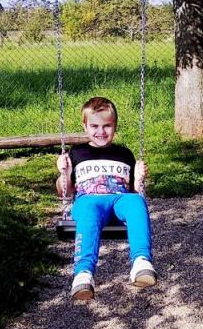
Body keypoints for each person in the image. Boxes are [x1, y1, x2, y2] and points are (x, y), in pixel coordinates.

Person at [56, 96, 156, 302]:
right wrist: (64, 172)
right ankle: (83, 273)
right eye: (94, 126)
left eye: (107, 126)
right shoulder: (77, 153)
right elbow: (64, 190)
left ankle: (141, 262)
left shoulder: (124, 154)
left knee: (137, 202)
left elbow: (134, 190)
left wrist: (139, 178)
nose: (101, 131)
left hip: (119, 200)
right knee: (89, 210)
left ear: (115, 126)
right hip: (89, 201)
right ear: (85, 126)